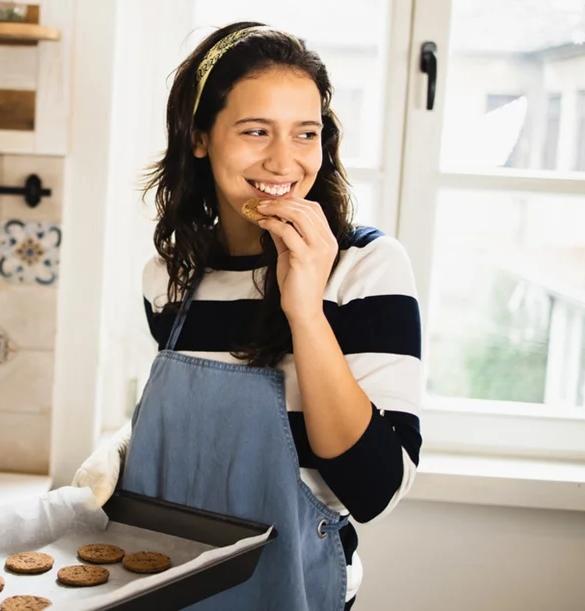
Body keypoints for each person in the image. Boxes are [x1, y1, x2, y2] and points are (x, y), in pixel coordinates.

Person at [72, 21, 423, 610]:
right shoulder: (171, 278)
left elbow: (375, 490)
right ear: (200, 136)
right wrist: (125, 450)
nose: (284, 160)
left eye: (305, 133)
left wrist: (305, 309)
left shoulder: (366, 268)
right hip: (166, 588)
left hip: (290, 592)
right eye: (256, 130)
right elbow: (207, 438)